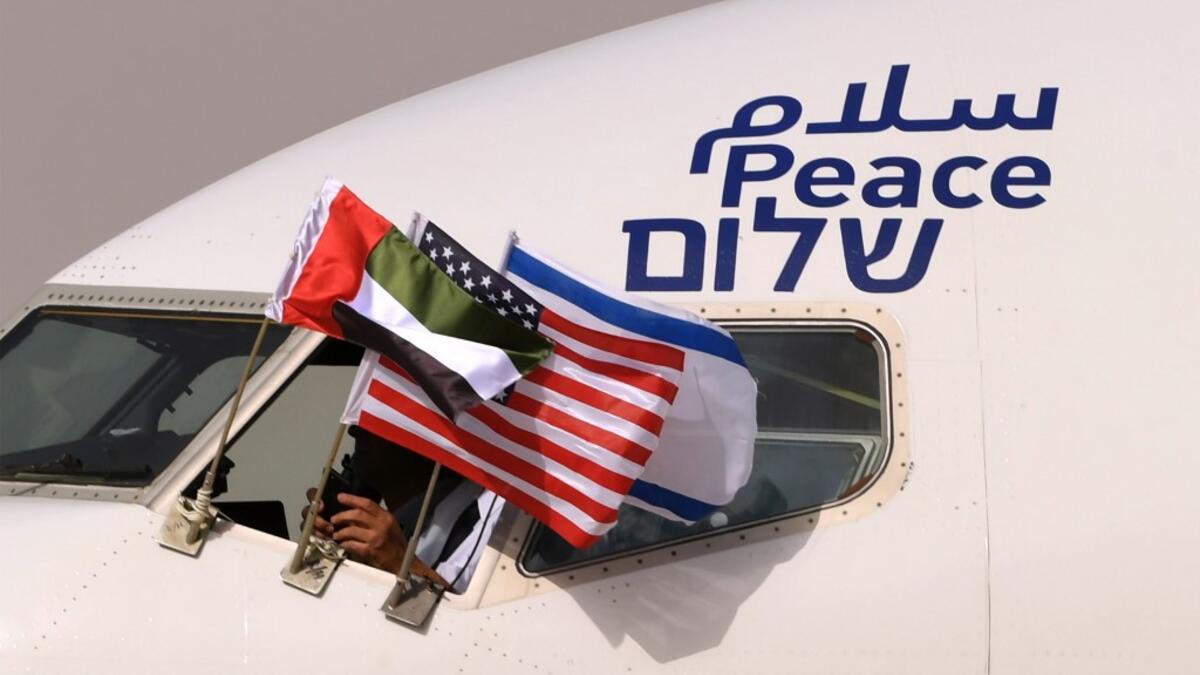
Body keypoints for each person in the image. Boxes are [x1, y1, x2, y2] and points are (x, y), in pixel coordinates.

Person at [301, 427, 501, 592]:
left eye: (378, 418)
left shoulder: (496, 530)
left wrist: (400, 562)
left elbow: (472, 623)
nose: (353, 430)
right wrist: (338, 553)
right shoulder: (393, 526)